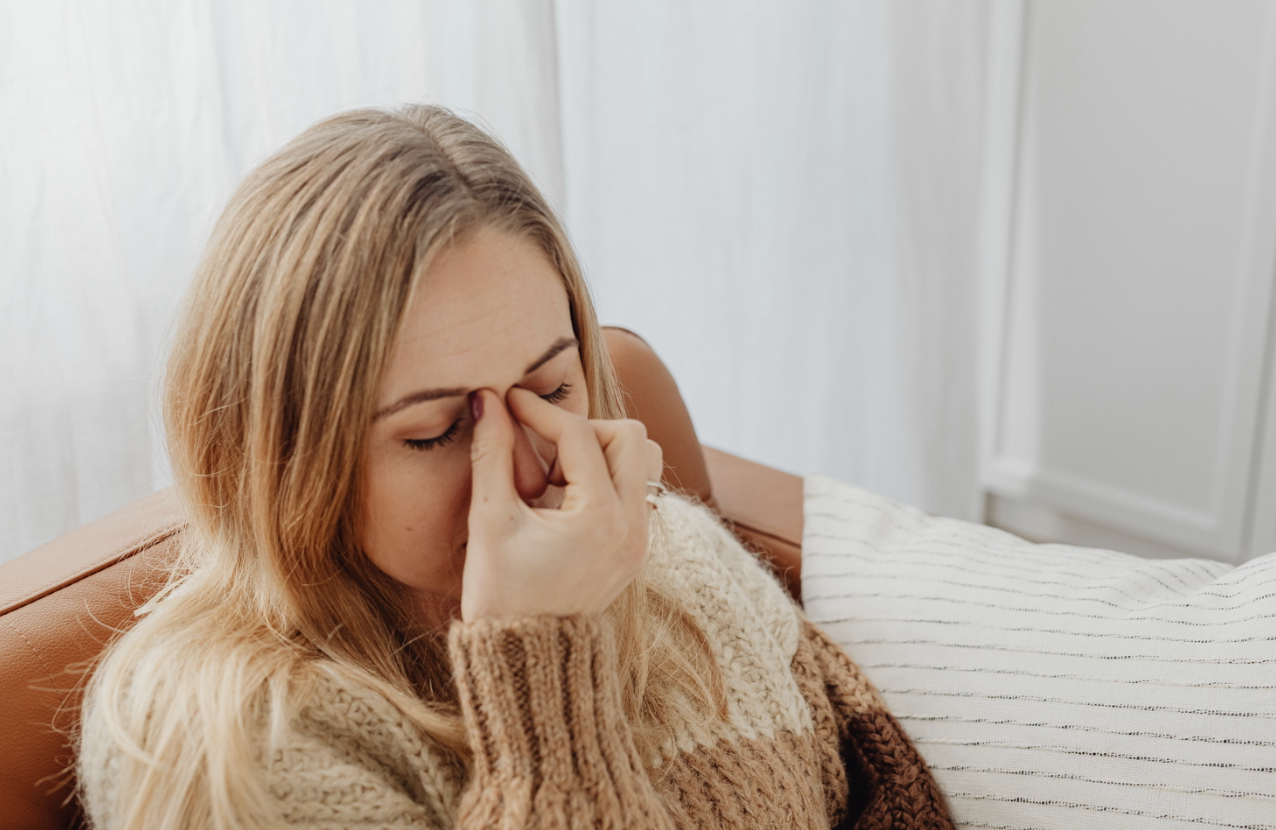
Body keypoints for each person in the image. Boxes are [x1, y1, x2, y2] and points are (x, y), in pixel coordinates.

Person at [77, 105, 953, 829]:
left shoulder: (670, 552)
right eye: (433, 432)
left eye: (551, 388)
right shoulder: (224, 743)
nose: (523, 471)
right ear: (282, 456)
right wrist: (541, 665)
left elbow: (889, 791)